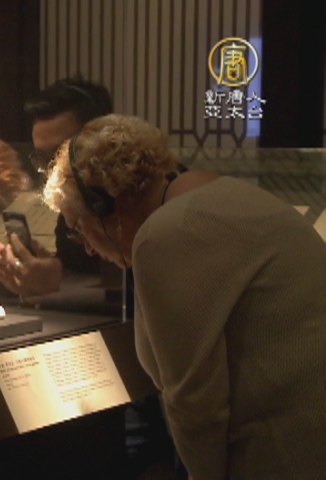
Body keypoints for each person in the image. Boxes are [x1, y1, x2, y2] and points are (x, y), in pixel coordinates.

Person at [41, 113, 326, 479]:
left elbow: (196, 405)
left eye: (78, 229)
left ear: (105, 206)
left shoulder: (165, 235)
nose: (89, 249)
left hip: (283, 455)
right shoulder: (225, 192)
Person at [0, 76, 113, 298]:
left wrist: (58, 281)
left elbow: (134, 284)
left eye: (60, 155)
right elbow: (79, 271)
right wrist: (42, 271)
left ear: (99, 143)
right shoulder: (68, 209)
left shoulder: (127, 202)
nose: (51, 172)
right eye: (43, 159)